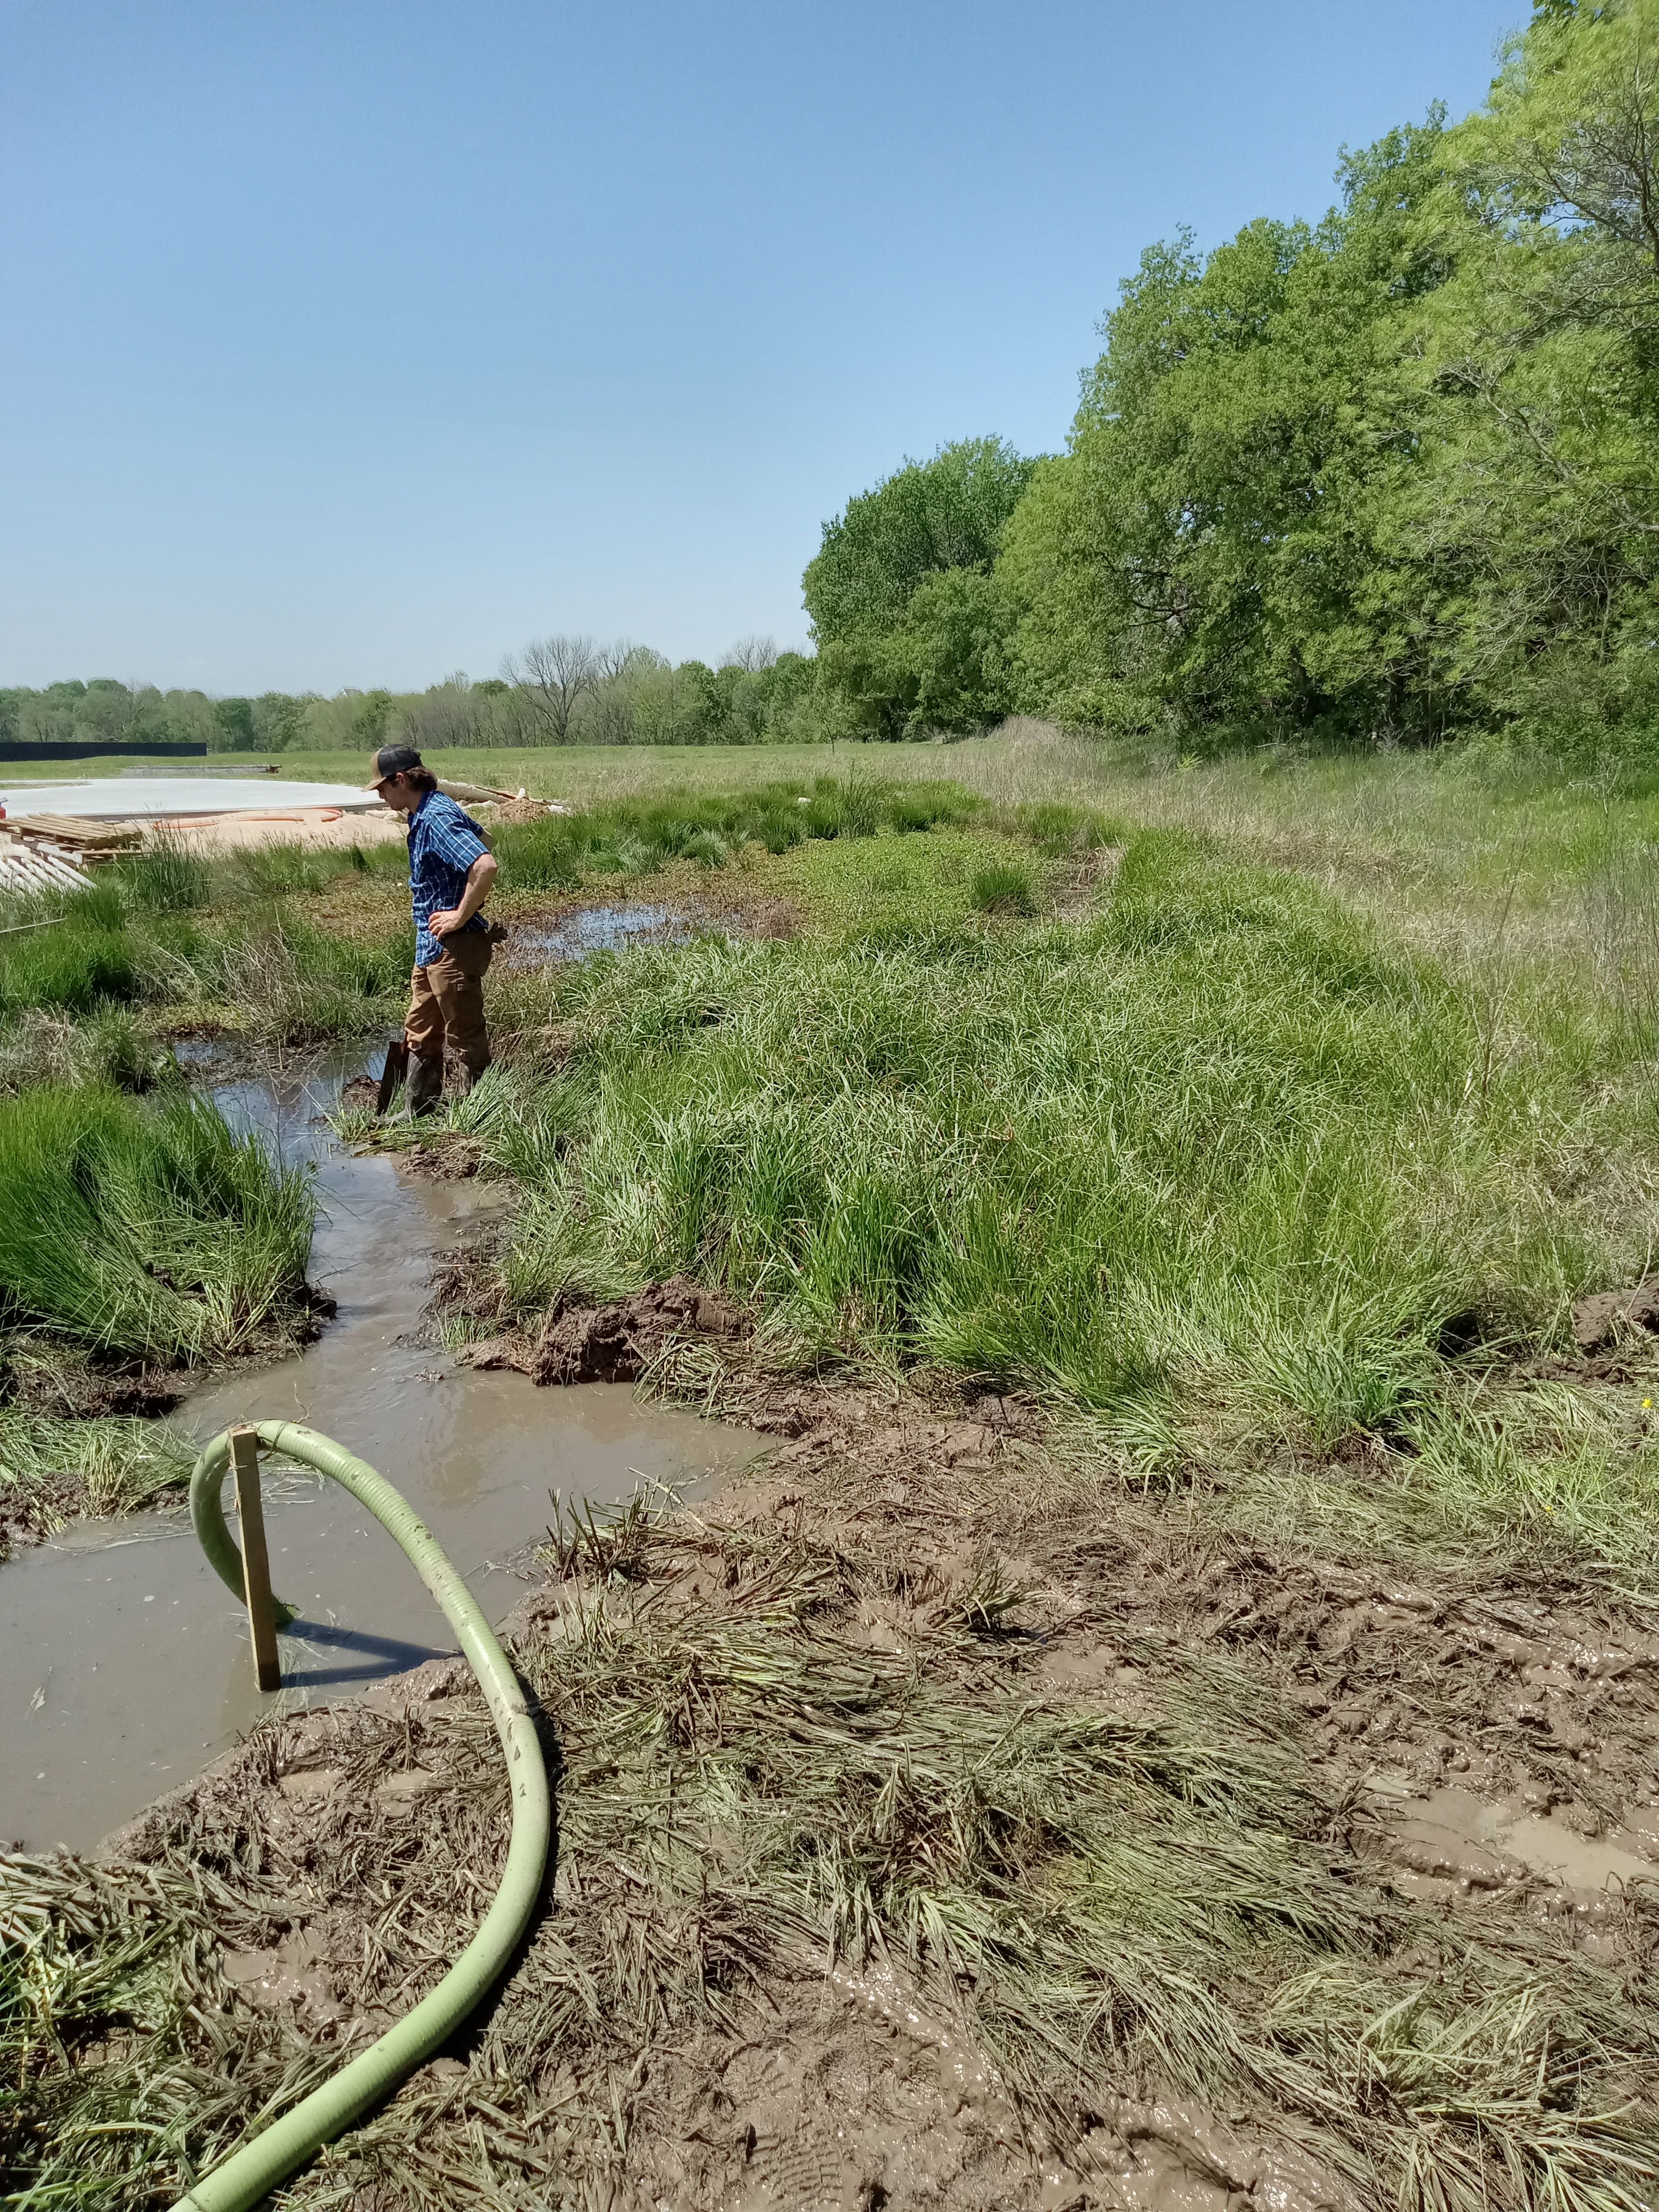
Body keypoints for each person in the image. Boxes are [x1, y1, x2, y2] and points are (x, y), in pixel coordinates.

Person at [366, 742, 500, 1113]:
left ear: (402, 779)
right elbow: (483, 839)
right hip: (432, 946)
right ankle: (418, 1112)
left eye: (382, 788)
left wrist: (459, 914)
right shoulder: (422, 814)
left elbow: (485, 864)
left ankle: (480, 1120)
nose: (380, 796)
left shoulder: (437, 817)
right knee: (420, 1029)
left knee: (465, 1035)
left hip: (454, 945)